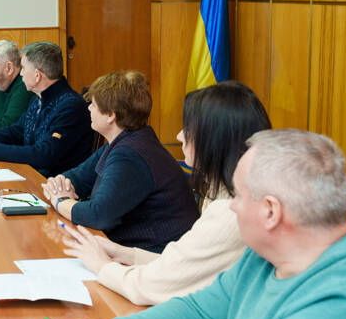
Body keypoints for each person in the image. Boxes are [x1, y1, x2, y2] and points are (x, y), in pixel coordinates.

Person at [58, 130, 346, 319]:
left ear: (271, 212)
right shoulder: (269, 254)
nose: (232, 208)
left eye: (238, 196)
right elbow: (201, 314)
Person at [61, 81, 271, 304]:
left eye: (187, 129)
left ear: (214, 140)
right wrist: (123, 253)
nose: (179, 136)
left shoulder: (230, 210)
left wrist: (102, 266)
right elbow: (181, 264)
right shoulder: (222, 190)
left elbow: (154, 286)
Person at [40, 71, 197, 253]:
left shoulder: (131, 154)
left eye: (94, 105)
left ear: (111, 116)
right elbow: (78, 177)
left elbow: (98, 215)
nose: (88, 108)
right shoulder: (124, 140)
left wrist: (60, 201)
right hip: (129, 249)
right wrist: (58, 183)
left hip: (152, 257)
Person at [0, 41, 92, 177]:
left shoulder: (70, 106)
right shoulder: (38, 98)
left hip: (52, 184)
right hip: (31, 175)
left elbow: (43, 154)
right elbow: (17, 131)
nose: (21, 73)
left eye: (23, 68)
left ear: (37, 75)